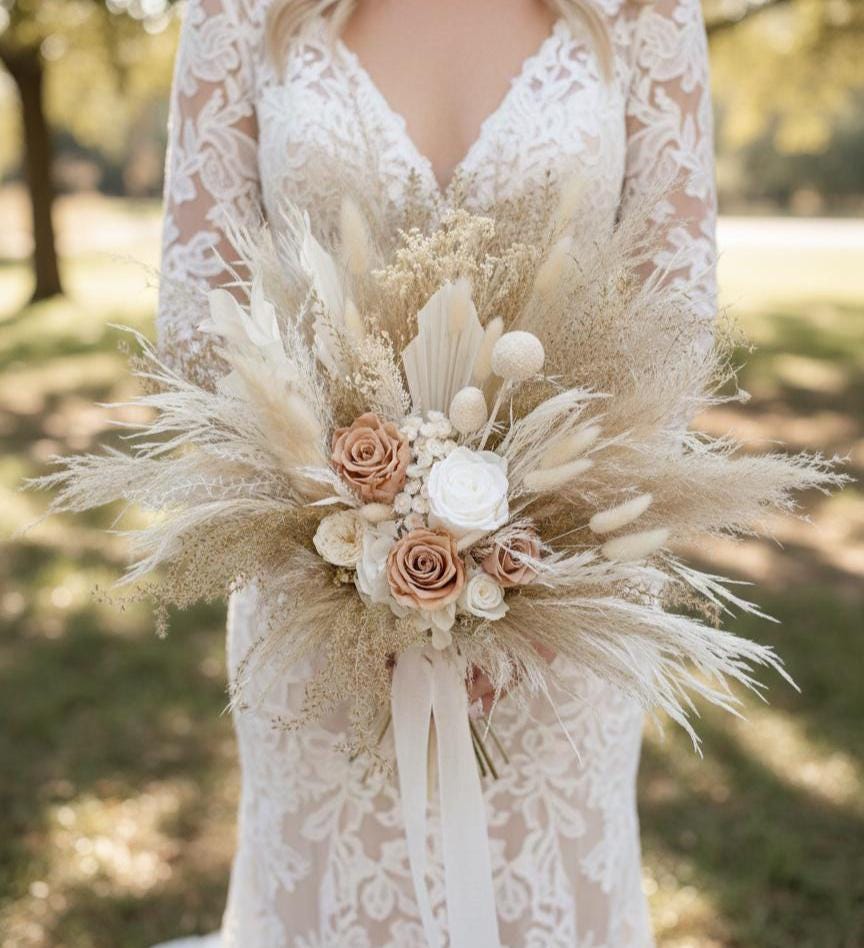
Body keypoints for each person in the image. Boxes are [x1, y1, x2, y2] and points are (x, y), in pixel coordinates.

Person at [153, 0, 716, 944]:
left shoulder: (647, 11)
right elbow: (197, 319)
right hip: (313, 603)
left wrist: (532, 573)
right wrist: (349, 560)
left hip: (564, 624)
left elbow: (678, 317)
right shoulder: (237, 10)